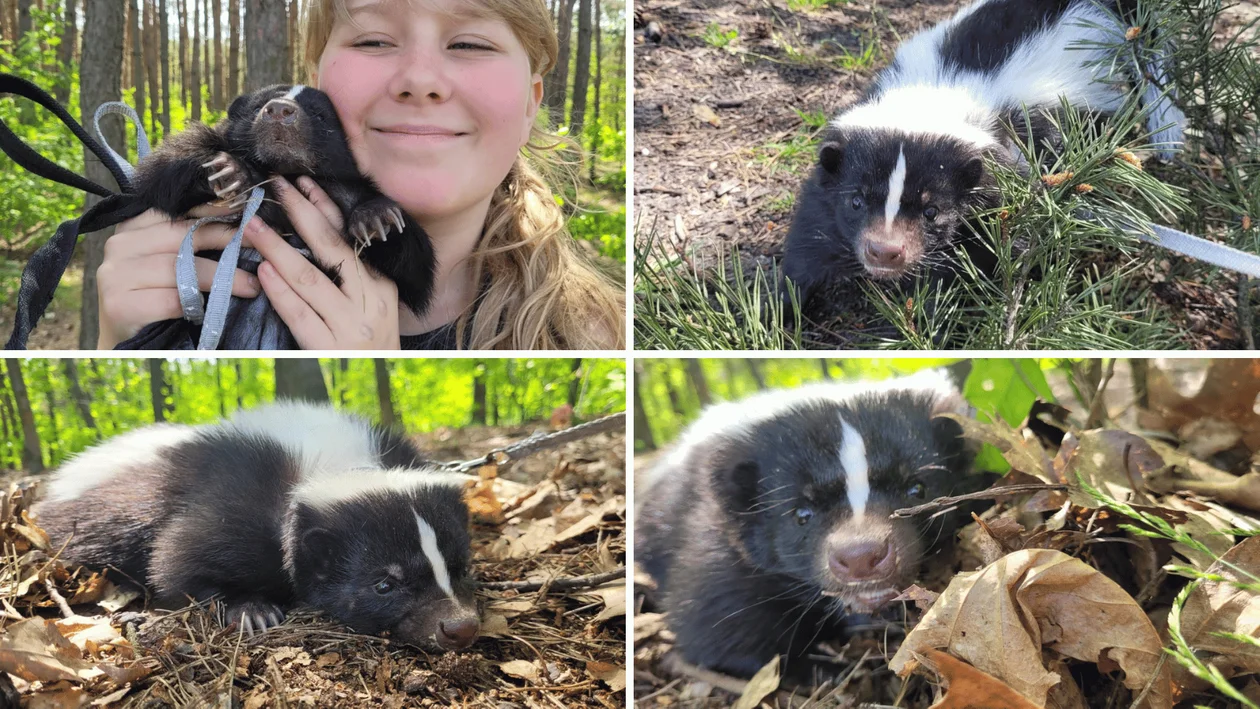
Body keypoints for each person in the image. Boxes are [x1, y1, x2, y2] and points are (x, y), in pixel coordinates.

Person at [96, 0, 625, 350]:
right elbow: (161, 178)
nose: (420, 80)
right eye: (372, 40)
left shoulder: (609, 337)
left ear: (532, 103)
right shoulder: (223, 159)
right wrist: (117, 343)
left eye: (470, 43)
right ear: (316, 86)